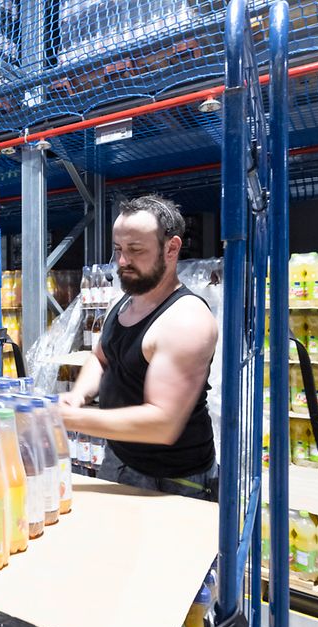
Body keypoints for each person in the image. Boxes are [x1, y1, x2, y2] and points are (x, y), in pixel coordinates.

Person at [59, 195, 218, 500]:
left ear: (171, 248)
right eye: (118, 249)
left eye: (135, 250)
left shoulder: (186, 320)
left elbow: (162, 424)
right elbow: (102, 357)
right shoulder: (125, 303)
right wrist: (79, 395)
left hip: (175, 481)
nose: (121, 262)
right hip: (120, 460)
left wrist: (63, 418)